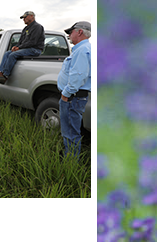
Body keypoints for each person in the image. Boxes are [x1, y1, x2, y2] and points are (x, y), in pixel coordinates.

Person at [58, 21, 91, 156]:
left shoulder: (82, 50)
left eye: (71, 32)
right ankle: (69, 153)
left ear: (80, 32)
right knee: (71, 128)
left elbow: (79, 75)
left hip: (73, 97)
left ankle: (70, 161)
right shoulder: (82, 49)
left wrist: (66, 94)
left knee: (70, 130)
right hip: (75, 96)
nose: (69, 36)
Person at [0, 11, 44, 83]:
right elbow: (20, 42)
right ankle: (0, 73)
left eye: (25, 17)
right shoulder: (25, 29)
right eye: (23, 18)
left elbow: (33, 42)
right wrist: (16, 46)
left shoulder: (37, 27)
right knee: (7, 53)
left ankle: (5, 76)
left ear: (32, 16)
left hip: (35, 49)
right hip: (26, 48)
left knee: (13, 54)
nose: (24, 19)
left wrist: (19, 47)